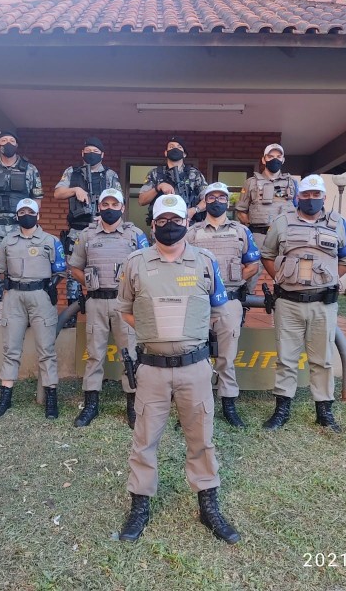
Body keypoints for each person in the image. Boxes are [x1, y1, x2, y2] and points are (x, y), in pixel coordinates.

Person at [115, 194, 240, 545]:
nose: (170, 226)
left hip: (194, 368)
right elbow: (126, 310)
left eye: (175, 219)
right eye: (162, 220)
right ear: (152, 224)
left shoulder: (205, 261)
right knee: (144, 441)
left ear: (186, 221)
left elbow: (218, 310)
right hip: (151, 369)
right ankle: (140, 506)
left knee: (201, 438)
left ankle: (208, 506)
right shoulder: (134, 263)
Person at [260, 174, 346, 432]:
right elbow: (267, 255)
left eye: (316, 195)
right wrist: (281, 277)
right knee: (286, 358)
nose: (311, 199)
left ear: (323, 197)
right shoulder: (282, 223)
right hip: (288, 303)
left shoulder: (338, 224)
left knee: (322, 359)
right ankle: (282, 410)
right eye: (306, 195)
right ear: (297, 197)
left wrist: (327, 280)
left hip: (322, 304)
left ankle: (324, 411)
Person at [68, 188, 148, 428]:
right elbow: (75, 268)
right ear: (99, 207)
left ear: (123, 208)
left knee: (131, 354)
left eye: (115, 204)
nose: (110, 208)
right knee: (94, 354)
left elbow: (144, 268)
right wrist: (90, 283)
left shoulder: (135, 235)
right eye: (106, 204)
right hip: (96, 302)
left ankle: (132, 405)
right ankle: (91, 404)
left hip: (126, 304)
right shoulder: (87, 235)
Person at [185, 182, 261, 428]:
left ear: (227, 202)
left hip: (229, 301)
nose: (216, 201)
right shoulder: (193, 232)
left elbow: (253, 265)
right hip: (198, 304)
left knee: (226, 357)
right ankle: (195, 406)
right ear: (204, 201)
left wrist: (237, 279)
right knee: (196, 357)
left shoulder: (241, 231)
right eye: (211, 197)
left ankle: (228, 404)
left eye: (221, 197)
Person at [0, 198, 67, 419]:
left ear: (37, 215)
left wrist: (49, 288)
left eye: (30, 211)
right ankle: (5, 395)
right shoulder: (7, 241)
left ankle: (51, 396)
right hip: (14, 297)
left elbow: (60, 271)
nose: (26, 215)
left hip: (41, 297)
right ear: (17, 216)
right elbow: (1, 271)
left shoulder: (50, 241)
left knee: (46, 349)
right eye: (22, 211)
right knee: (11, 349)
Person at [0, 130, 42, 327]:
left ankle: (24, 313)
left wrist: (29, 219)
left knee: (23, 270)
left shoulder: (29, 169)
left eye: (12, 140)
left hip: (21, 227)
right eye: (4, 140)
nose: (8, 143)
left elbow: (37, 199)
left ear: (17, 145)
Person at [54, 137, 122, 329]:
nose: (90, 153)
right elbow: (57, 193)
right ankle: (72, 313)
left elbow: (118, 199)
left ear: (102, 154)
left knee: (103, 269)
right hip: (77, 229)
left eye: (95, 150)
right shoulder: (72, 172)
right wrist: (75, 189)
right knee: (72, 272)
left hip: (100, 229)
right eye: (87, 150)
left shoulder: (109, 175)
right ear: (82, 153)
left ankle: (104, 308)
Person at [234, 143, 298, 294]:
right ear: (264, 159)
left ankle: (287, 304)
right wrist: (249, 225)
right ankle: (243, 305)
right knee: (251, 271)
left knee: (287, 270)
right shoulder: (251, 182)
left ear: (283, 160)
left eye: (278, 157)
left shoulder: (292, 183)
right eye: (270, 156)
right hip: (259, 235)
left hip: (284, 236)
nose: (274, 159)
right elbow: (241, 210)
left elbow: (298, 209)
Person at [137, 136, 208, 226]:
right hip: (161, 227)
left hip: (189, 226)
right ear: (166, 153)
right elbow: (141, 200)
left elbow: (209, 199)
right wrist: (158, 187)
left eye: (179, 147)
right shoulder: (155, 173)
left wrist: (194, 210)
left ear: (184, 154)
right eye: (171, 147)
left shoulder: (194, 174)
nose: (175, 149)